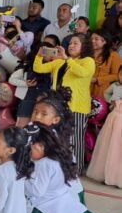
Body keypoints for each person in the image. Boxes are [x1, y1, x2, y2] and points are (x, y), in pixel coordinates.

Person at [32, 32, 95, 173]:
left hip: (77, 107)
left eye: (75, 43)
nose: (71, 46)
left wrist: (67, 59)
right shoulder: (61, 62)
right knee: (59, 137)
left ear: (84, 46)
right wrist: (39, 55)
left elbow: (82, 73)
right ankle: (61, 165)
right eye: (70, 43)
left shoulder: (88, 61)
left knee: (76, 139)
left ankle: (76, 169)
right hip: (59, 107)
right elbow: (38, 68)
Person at [9, 36, 56, 127]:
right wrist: (25, 84)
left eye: (52, 52)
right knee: (21, 127)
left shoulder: (53, 68)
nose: (50, 55)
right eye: (47, 51)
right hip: (27, 100)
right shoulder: (27, 66)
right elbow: (12, 79)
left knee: (40, 129)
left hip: (44, 102)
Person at [87, 69, 122, 187]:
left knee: (118, 147)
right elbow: (106, 93)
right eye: (121, 74)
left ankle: (117, 176)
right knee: (109, 145)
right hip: (113, 118)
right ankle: (105, 173)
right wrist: (110, 101)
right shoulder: (115, 86)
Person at [90, 30, 121, 98]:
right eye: (91, 39)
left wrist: (97, 80)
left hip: (102, 91)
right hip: (85, 89)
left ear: (105, 41)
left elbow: (117, 75)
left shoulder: (113, 55)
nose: (92, 41)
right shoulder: (86, 54)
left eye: (96, 39)